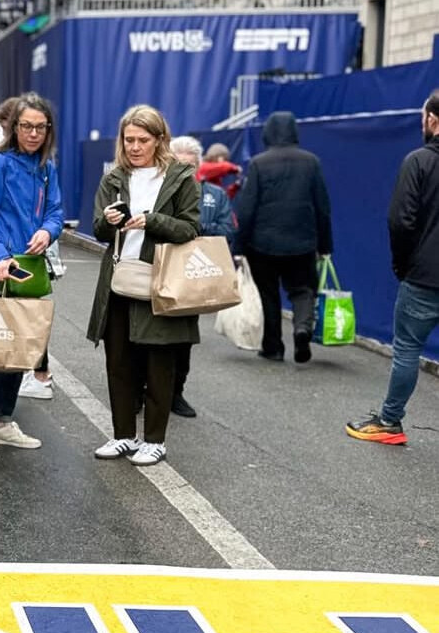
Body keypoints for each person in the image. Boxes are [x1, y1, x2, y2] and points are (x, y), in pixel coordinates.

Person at [87, 106, 200, 468]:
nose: (134, 147)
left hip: (160, 282)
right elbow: (98, 230)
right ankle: (123, 435)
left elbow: (191, 229)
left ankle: (154, 441)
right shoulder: (114, 177)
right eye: (128, 139)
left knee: (158, 365)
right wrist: (108, 222)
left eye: (142, 140)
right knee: (118, 362)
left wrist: (152, 221)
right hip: (120, 280)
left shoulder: (181, 177)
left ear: (159, 140)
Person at [0, 94, 62, 463]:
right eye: (26, 126)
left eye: (40, 127)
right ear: (14, 128)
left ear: (48, 130)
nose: (33, 133)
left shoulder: (47, 168)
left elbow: (55, 211)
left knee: (20, 352)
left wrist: (48, 231)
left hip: (27, 273)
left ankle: (2, 422)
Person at [347, 90, 439, 446]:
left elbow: (401, 221)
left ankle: (389, 421)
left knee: (408, 349)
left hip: (424, 277)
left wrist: (403, 265)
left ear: (432, 120)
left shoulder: (419, 161)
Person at [234, 111, 333, 365]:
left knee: (268, 294)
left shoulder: (258, 163)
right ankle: (302, 328)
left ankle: (273, 347)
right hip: (302, 242)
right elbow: (322, 207)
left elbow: (247, 208)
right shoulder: (311, 162)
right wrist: (325, 245)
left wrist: (239, 245)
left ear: (268, 132)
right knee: (303, 290)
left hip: (263, 244)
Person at [169, 134, 237, 419]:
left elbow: (228, 230)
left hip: (195, 276)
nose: (185, 171)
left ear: (199, 166)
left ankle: (176, 392)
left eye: (190, 165)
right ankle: (142, 390)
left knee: (184, 337)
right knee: (150, 336)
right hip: (163, 270)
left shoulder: (215, 195)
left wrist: (196, 228)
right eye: (179, 165)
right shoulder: (160, 191)